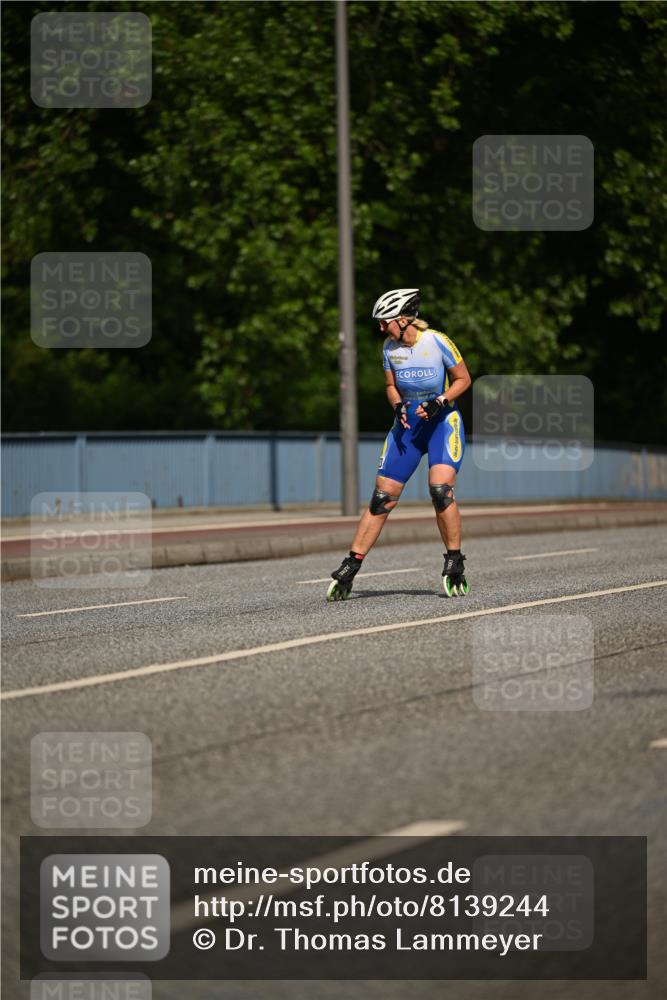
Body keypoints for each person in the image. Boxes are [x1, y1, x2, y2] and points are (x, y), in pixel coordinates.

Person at [328, 287, 472, 601]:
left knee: (440, 490)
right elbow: (391, 386)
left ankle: (454, 560)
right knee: (382, 498)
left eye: (385, 321)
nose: (381, 328)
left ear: (404, 319)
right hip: (407, 427)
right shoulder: (389, 348)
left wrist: (440, 401)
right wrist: (396, 405)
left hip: (442, 423)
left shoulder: (437, 342)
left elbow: (464, 379)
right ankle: (351, 564)